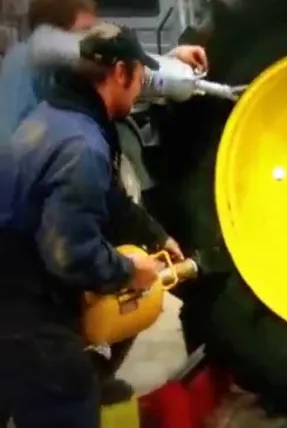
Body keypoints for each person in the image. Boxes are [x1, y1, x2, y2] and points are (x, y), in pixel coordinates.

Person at [0, 22, 183, 427]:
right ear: (120, 72)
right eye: (140, 76)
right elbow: (71, 254)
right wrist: (130, 271)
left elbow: (110, 198)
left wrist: (156, 236)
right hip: (21, 307)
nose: (140, 89)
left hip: (14, 286)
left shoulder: (56, 114)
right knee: (67, 393)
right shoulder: (81, 146)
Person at [0, 0, 208, 142]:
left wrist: (171, 58)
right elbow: (111, 63)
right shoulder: (45, 51)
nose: (95, 39)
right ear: (58, 33)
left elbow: (118, 72)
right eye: (85, 32)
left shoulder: (27, 58)